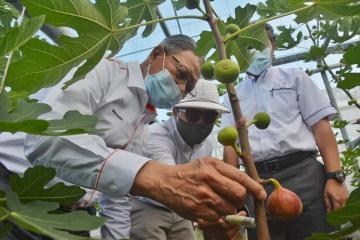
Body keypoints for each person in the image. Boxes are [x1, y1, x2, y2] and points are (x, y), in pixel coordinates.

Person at [24, 34, 267, 237]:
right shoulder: (101, 70)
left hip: (73, 216)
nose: (181, 88)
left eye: (189, 88)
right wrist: (152, 176)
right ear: (155, 54)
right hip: (18, 194)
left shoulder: (142, 126)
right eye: (180, 73)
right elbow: (46, 138)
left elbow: (116, 196)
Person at [221, 25, 348, 240]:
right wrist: (231, 195)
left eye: (263, 44)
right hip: (256, 180)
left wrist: (335, 178)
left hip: (303, 173)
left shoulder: (295, 78)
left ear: (273, 47)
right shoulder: (232, 95)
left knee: (318, 234)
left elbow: (321, 128)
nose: (256, 51)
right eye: (250, 46)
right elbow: (229, 146)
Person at [130, 79, 244, 240]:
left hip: (181, 210)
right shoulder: (155, 135)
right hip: (149, 207)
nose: (201, 122)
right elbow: (174, 182)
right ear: (176, 111)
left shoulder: (206, 145)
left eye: (210, 116)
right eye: (193, 114)